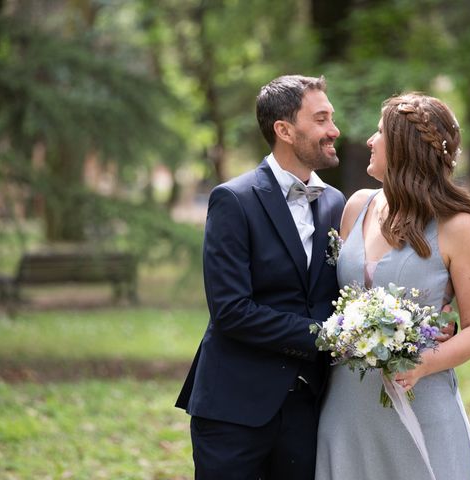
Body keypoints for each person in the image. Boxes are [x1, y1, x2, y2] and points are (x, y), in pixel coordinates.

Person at [315, 93, 470, 479]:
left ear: (403, 147)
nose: (369, 140)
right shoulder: (358, 206)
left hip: (418, 396)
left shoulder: (457, 227)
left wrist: (423, 363)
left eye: (379, 131)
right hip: (347, 402)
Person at [175, 74, 346, 479]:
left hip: (308, 408)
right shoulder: (234, 200)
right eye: (321, 119)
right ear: (284, 130)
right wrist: (322, 335)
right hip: (234, 407)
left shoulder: (337, 204)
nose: (334, 130)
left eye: (331, 118)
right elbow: (231, 310)